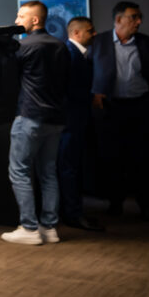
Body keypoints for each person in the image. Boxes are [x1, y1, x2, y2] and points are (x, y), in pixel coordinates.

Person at [1, 1, 70, 245]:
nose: (16, 20)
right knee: (48, 172)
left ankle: (29, 228)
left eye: (21, 16)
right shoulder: (61, 46)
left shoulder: (23, 46)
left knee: (19, 170)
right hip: (56, 117)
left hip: (29, 115)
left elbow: (8, 79)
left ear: (35, 20)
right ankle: (49, 227)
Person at [88, 1, 149, 219]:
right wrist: (94, 92)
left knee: (142, 157)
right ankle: (115, 203)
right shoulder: (99, 42)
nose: (139, 21)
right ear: (118, 19)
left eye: (139, 17)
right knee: (112, 157)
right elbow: (86, 71)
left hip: (141, 106)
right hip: (110, 108)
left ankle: (145, 204)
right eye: (134, 17)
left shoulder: (146, 43)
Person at [58, 16, 102, 231]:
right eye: (90, 30)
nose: (94, 34)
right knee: (69, 168)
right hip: (69, 122)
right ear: (76, 33)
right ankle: (72, 214)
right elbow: (68, 90)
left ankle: (74, 211)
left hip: (77, 120)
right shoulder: (69, 54)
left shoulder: (80, 55)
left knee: (73, 166)